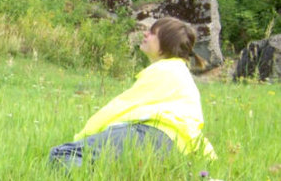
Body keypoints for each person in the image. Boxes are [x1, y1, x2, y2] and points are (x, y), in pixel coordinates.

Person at [49, 17, 216, 168]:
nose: (145, 33)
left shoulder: (164, 70)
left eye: (152, 33)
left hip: (151, 135)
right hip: (178, 149)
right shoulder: (179, 72)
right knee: (110, 164)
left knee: (61, 155)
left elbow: (119, 108)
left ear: (166, 43)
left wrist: (83, 136)